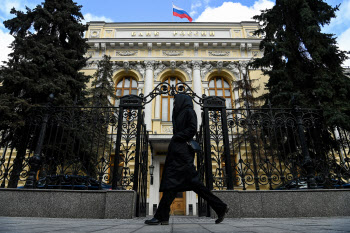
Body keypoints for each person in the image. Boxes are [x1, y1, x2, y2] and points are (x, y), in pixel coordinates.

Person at [145, 94, 228, 225]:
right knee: (174, 184)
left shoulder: (189, 111)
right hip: (177, 152)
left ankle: (162, 216)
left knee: (176, 183)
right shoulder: (178, 113)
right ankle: (163, 216)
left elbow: (192, 129)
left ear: (182, 101)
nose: (174, 104)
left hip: (182, 154)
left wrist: (177, 137)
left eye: (175, 101)